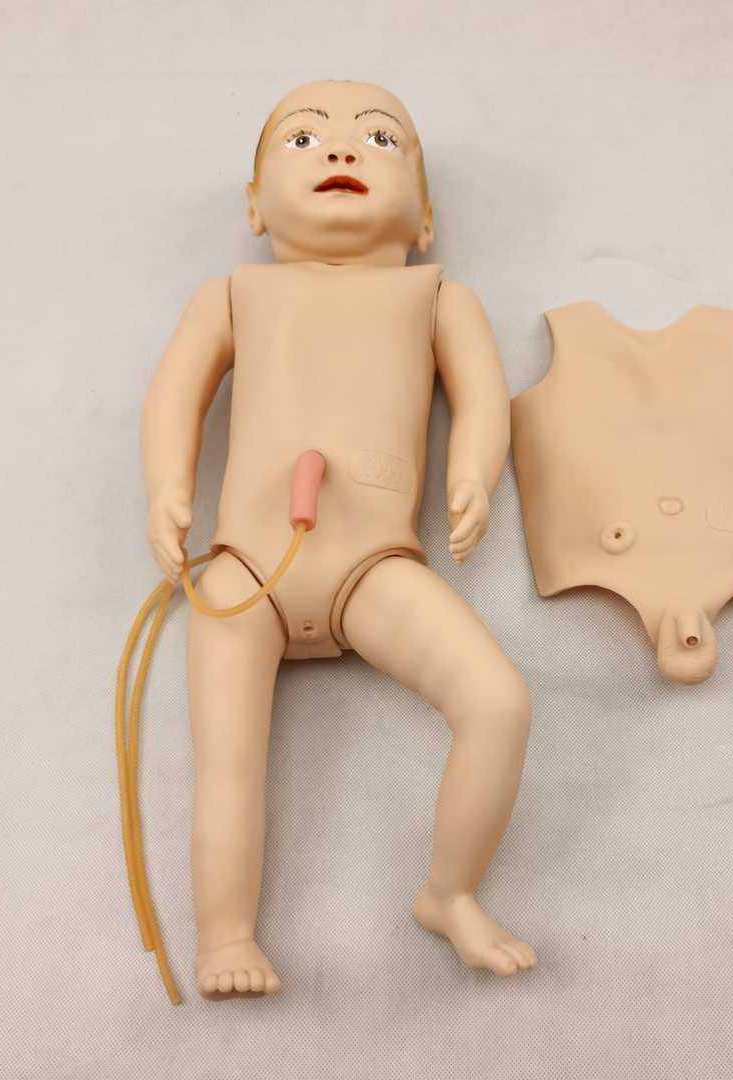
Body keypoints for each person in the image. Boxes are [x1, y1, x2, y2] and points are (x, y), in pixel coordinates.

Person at [140, 79, 537, 999]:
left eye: (381, 141)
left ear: (425, 218)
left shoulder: (438, 299)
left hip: (373, 567)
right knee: (228, 765)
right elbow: (174, 396)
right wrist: (166, 486)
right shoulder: (231, 296)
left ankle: (450, 893)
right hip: (244, 570)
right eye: (304, 139)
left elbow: (484, 400)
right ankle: (225, 937)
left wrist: (473, 474)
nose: (343, 150)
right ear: (254, 207)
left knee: (500, 705)